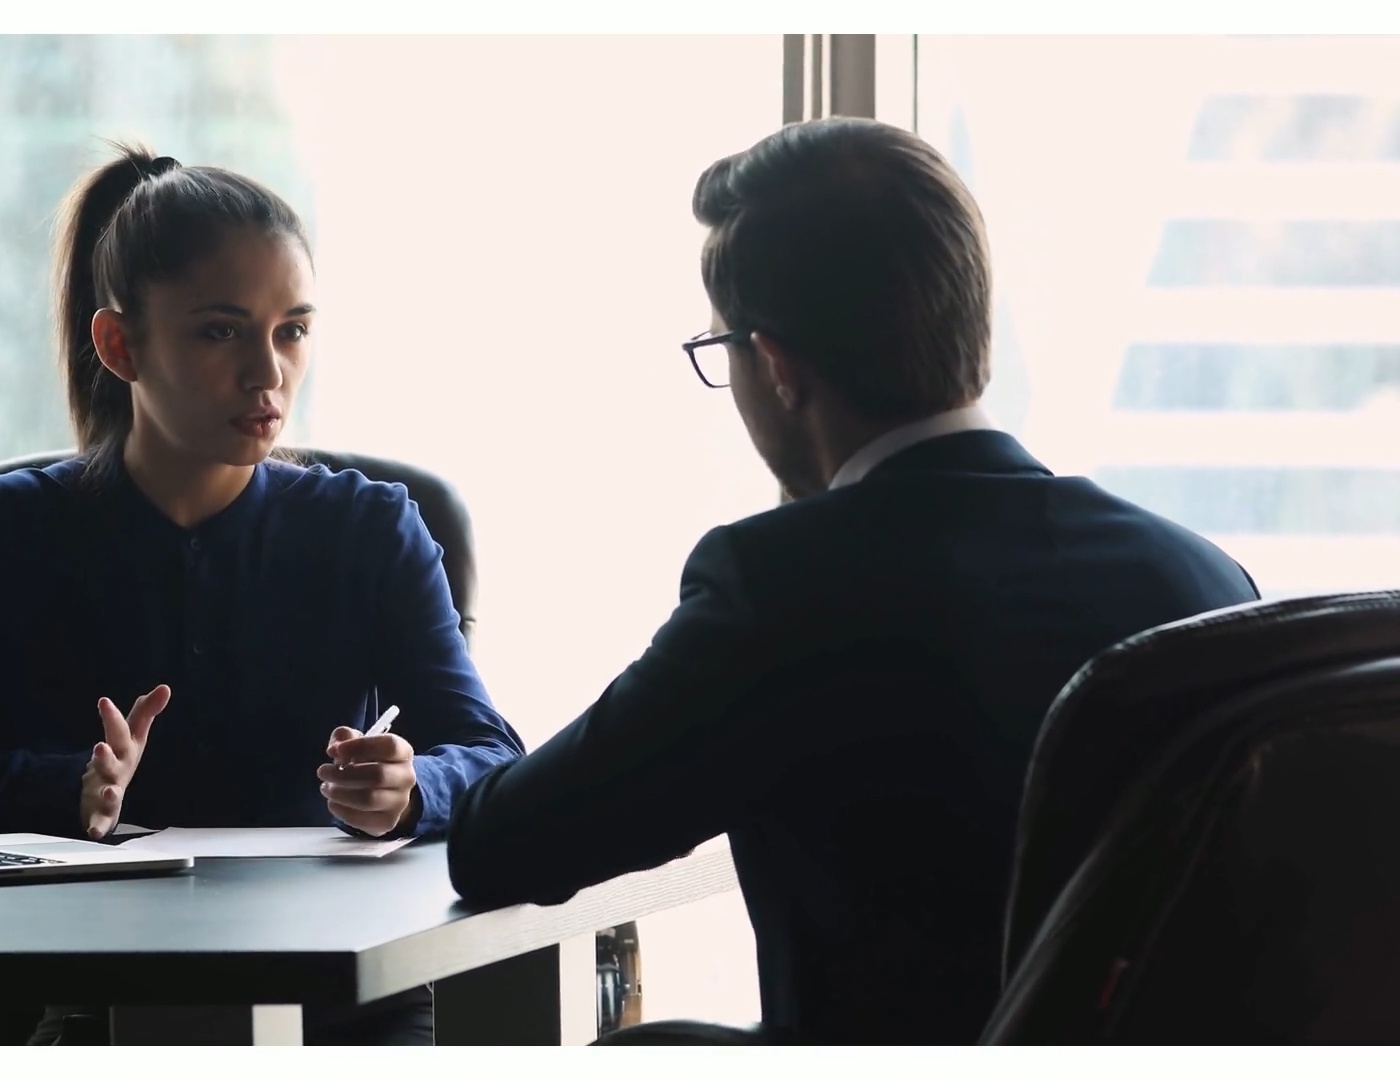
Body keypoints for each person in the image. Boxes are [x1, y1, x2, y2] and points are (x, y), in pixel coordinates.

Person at [444, 117, 1260, 1045]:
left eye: (723, 353)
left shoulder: (784, 586)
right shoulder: (1201, 577)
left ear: (779, 368)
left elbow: (508, 845)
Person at [0, 141, 525, 1045]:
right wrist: (57, 797)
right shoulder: (1, 530)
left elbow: (489, 752)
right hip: (84, 998)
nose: (267, 373)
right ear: (121, 343)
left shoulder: (370, 529)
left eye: (293, 330)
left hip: (337, 1000)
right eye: (221, 331)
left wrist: (411, 788)